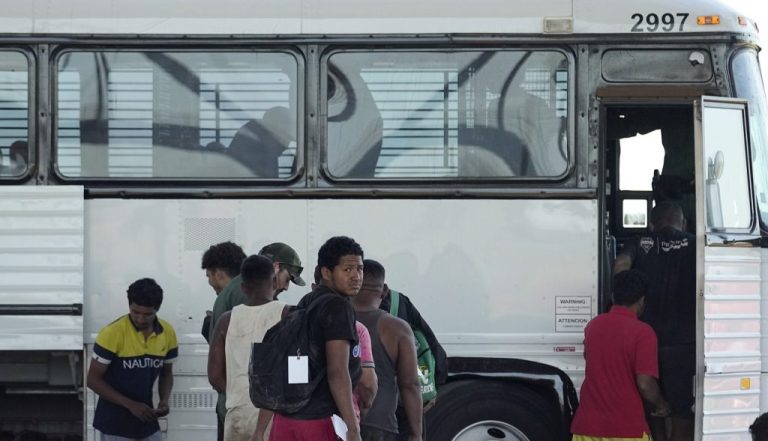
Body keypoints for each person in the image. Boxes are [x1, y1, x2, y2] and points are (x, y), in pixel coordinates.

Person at [614, 202, 696, 441]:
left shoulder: (640, 243)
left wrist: (621, 299)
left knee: (653, 407)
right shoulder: (694, 244)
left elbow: (620, 265)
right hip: (685, 345)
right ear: (683, 223)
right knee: (682, 412)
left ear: (652, 224)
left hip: (646, 341)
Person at [269, 236, 364, 441]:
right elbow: (337, 372)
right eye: (347, 270)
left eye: (360, 269)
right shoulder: (339, 307)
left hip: (286, 420)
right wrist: (353, 428)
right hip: (319, 422)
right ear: (326, 272)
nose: (356, 276)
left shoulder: (308, 300)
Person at [571, 270, 670, 441]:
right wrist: (662, 405)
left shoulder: (593, 326)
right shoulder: (643, 333)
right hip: (626, 429)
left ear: (613, 297)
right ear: (642, 301)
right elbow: (645, 384)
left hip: (587, 427)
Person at [208, 255, 289, 441]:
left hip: (238, 414)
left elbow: (214, 376)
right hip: (275, 417)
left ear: (243, 287)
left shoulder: (226, 320)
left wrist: (239, 393)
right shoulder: (287, 314)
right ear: (274, 282)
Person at [87, 278, 178, 441]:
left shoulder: (168, 332)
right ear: (129, 306)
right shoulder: (112, 333)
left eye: (147, 314)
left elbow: (166, 373)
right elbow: (93, 380)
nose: (141, 319)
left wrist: (164, 401)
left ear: (157, 309)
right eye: (135, 312)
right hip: (114, 425)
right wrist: (130, 405)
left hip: (147, 421)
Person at [354, 259, 422, 441]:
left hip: (338, 421)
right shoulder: (398, 328)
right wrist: (416, 434)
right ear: (384, 290)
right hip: (380, 424)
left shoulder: (333, 319)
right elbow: (410, 385)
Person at [378, 272, 446, 438]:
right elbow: (430, 343)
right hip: (405, 405)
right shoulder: (398, 302)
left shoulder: (343, 306)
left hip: (369, 412)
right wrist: (432, 388)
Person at [201, 241, 247, 440]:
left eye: (208, 276)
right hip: (238, 399)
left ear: (218, 272)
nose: (210, 283)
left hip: (232, 401)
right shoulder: (242, 290)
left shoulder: (230, 294)